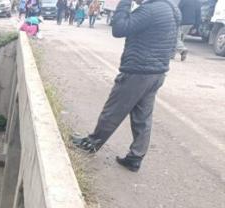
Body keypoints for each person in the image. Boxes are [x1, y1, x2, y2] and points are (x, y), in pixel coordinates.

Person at [72, 0, 181, 172]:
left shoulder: (149, 10)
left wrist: (124, 3)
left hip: (138, 71)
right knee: (143, 118)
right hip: (157, 72)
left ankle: (91, 143)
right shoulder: (171, 9)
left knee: (113, 110)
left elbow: (119, 29)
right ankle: (135, 157)